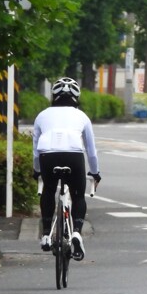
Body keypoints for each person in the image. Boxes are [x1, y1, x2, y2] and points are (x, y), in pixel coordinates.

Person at [32, 77, 101, 261]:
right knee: (78, 195)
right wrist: (95, 173)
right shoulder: (82, 116)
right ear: (77, 97)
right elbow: (92, 152)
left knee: (48, 190)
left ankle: (46, 234)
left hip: (47, 154)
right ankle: (77, 232)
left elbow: (35, 150)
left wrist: (37, 171)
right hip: (73, 155)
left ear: (53, 95)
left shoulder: (42, 115)